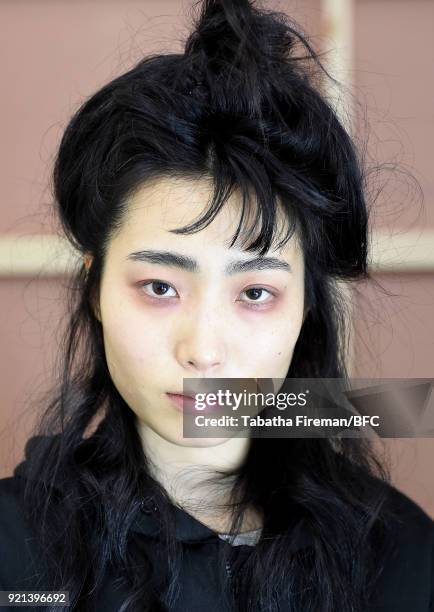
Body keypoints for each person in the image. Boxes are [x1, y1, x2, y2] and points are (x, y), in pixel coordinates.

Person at [0, 0, 433, 610]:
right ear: (96, 289)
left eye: (254, 293)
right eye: (160, 287)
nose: (203, 350)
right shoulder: (13, 552)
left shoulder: (402, 554)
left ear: (305, 305)